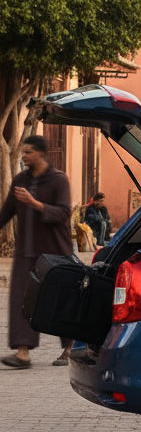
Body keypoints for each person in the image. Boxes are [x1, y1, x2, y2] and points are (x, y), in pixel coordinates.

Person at [0, 135, 74, 369]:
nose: (23, 156)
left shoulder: (59, 180)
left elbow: (63, 213)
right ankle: (23, 353)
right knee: (22, 300)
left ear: (42, 154)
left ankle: (70, 347)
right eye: (23, 152)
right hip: (25, 254)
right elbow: (7, 212)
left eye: (28, 152)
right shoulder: (20, 180)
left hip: (54, 252)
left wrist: (34, 203)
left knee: (60, 300)